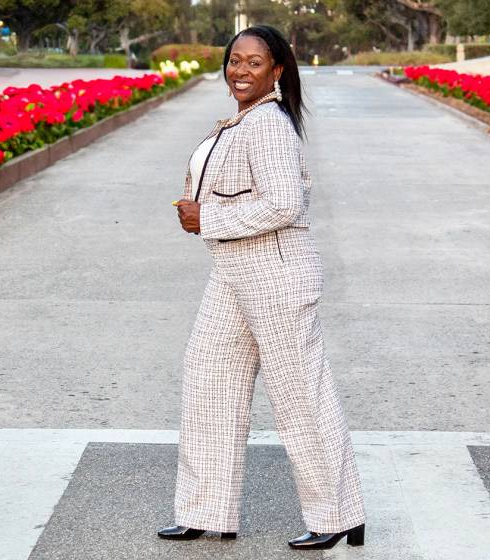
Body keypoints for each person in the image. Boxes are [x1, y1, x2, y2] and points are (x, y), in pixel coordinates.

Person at [157, 24, 367, 550]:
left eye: (254, 62)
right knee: (208, 381)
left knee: (299, 396)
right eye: (234, 61)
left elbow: (284, 205)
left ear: (277, 71)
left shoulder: (269, 124)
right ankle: (207, 509)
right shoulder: (240, 121)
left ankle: (338, 514)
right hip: (232, 273)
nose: (240, 71)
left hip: (275, 275)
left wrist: (209, 217)